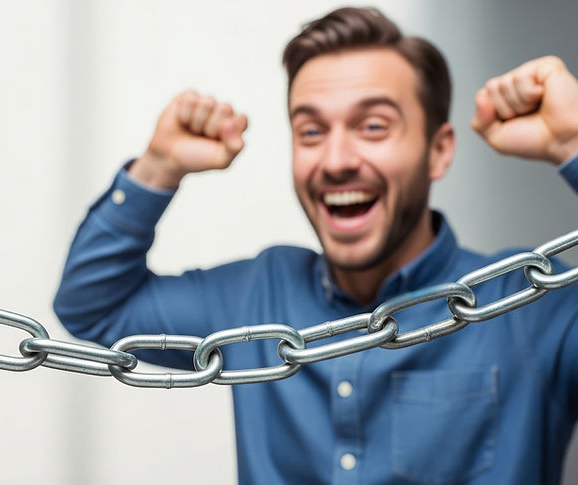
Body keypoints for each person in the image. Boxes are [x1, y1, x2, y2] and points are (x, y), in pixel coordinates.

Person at [52, 7, 578, 484]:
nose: (335, 159)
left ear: (438, 152)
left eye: (373, 126)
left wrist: (572, 143)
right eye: (310, 131)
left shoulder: (528, 307)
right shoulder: (256, 298)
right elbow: (95, 306)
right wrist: (158, 168)